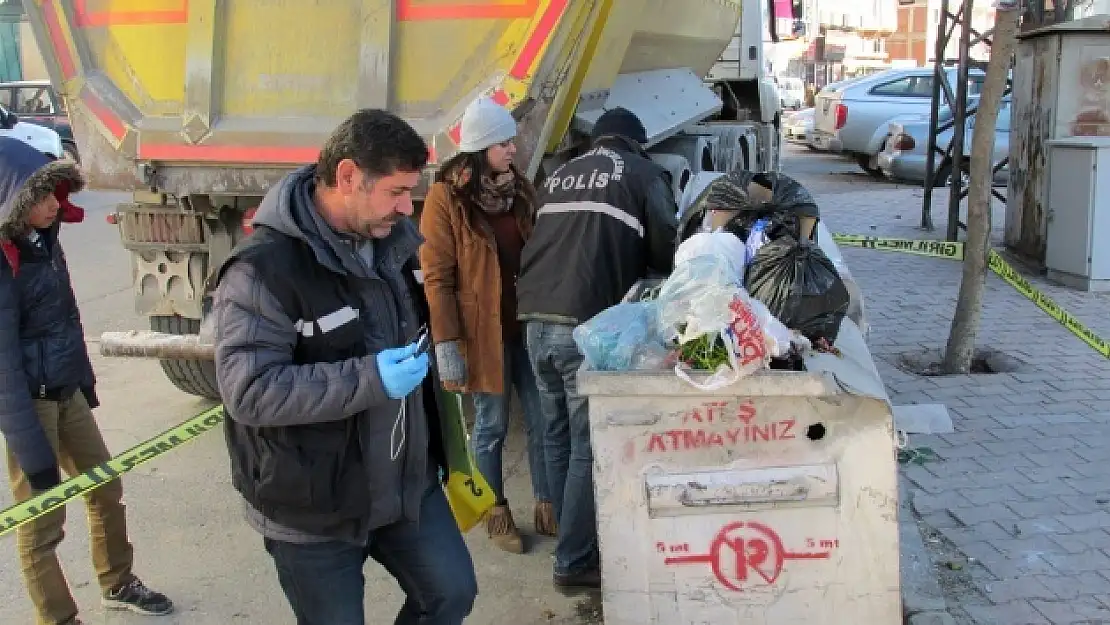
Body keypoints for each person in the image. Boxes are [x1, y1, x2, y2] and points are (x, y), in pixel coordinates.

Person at [211, 109, 477, 625]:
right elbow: (250, 391)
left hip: (404, 488)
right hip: (314, 507)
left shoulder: (393, 249)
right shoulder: (261, 272)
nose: (408, 207)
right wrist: (370, 378)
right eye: (396, 192)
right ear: (348, 176)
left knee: (450, 594)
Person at [0, 137, 173, 625]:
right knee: (41, 520)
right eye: (42, 196)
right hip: (29, 407)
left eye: (56, 192)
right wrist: (32, 451)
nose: (56, 204)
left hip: (65, 392)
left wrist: (82, 384)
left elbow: (67, 321)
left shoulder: (44, 244)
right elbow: (4, 369)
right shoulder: (4, 263)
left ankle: (117, 581)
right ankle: (57, 617)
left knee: (104, 485)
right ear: (12, 202)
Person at [516, 107, 678, 593]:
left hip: (533, 319)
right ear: (637, 143)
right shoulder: (645, 174)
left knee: (556, 435)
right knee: (588, 447)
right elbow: (665, 247)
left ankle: (570, 536)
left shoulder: (558, 173)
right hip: (584, 324)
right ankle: (573, 560)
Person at [419, 97, 555, 554]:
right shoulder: (446, 198)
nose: (512, 148)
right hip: (482, 333)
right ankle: (496, 511)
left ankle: (549, 504)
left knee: (542, 419)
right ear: (479, 149)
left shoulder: (519, 188)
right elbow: (437, 274)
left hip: (526, 324)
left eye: (511, 140)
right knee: (492, 425)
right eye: (502, 142)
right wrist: (447, 342)